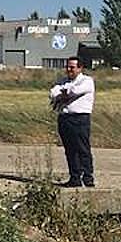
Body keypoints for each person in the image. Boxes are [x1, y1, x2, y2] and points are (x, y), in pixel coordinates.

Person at [50, 57, 95, 188]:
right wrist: (64, 93)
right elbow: (52, 93)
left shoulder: (87, 81)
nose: (69, 69)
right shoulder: (62, 81)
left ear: (80, 68)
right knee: (70, 149)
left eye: (72, 67)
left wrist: (63, 93)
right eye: (68, 67)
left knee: (82, 148)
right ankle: (74, 177)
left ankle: (87, 177)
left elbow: (75, 91)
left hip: (80, 118)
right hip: (65, 118)